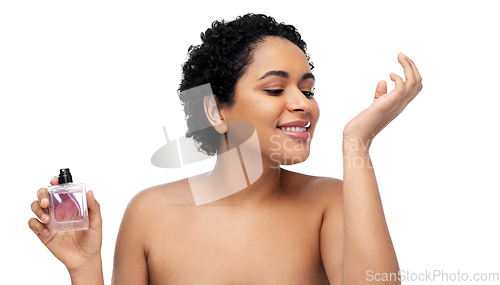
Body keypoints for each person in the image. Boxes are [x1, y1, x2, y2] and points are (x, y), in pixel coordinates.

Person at [29, 13, 422, 284]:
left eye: (308, 89)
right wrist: (84, 269)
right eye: (274, 89)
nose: (303, 103)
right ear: (214, 110)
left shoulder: (330, 203)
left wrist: (357, 143)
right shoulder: (149, 214)